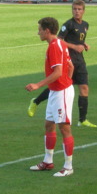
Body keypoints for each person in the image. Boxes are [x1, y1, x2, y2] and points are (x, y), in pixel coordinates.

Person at [28, 0, 97, 128]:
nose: (77, 11)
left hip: (79, 61)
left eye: (79, 9)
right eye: (74, 9)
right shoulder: (68, 24)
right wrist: (74, 47)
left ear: (83, 11)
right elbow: (58, 40)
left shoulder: (86, 25)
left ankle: (82, 119)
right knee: (59, 84)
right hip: (66, 59)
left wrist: (83, 45)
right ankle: (36, 101)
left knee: (84, 88)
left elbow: (79, 40)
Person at [25, 17, 75, 177]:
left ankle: (68, 166)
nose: (38, 32)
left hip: (62, 92)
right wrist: (67, 80)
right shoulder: (60, 43)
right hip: (57, 91)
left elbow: (59, 72)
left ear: (47, 31)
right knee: (49, 125)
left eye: (40, 29)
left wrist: (38, 85)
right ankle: (48, 161)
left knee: (64, 128)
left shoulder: (54, 46)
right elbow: (70, 66)